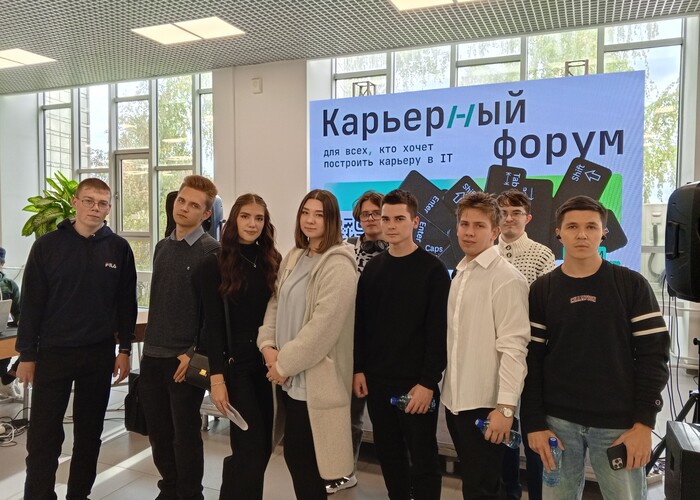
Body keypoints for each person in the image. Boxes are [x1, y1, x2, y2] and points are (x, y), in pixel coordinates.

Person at [521, 196, 670, 500]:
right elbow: (532, 362)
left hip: (619, 425)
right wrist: (534, 423)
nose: (582, 234)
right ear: (558, 233)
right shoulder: (542, 289)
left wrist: (644, 423)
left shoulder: (631, 285)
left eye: (591, 227)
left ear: (604, 233)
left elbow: (653, 357)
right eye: (572, 227)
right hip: (558, 425)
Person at [15, 178, 137, 500]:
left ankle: (79, 495)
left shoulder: (119, 249)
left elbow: (127, 304)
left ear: (109, 208)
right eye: (89, 201)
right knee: (43, 436)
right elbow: (31, 304)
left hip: (98, 354)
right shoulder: (47, 246)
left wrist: (125, 349)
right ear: (75, 202)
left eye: (102, 203)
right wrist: (27, 355)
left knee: (89, 434)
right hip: (53, 353)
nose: (95, 208)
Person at [257, 189, 356, 500]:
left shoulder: (339, 264)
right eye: (305, 212)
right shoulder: (295, 256)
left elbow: (322, 329)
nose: (310, 220)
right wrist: (268, 346)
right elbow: (275, 304)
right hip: (286, 374)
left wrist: (283, 364)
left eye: (319, 215)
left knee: (305, 460)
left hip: (312, 379)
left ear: (332, 220)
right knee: (298, 458)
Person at [354, 189, 449, 500]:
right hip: (377, 381)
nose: (391, 225)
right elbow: (362, 325)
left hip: (416, 384)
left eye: (399, 219)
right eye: (386, 219)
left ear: (415, 222)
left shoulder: (433, 270)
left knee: (423, 458)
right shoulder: (373, 268)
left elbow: (438, 333)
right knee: (389, 453)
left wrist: (428, 382)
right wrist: (358, 369)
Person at [442, 191, 530, 499]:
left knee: (486, 489)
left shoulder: (506, 278)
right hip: (456, 402)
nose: (469, 232)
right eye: (464, 224)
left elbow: (514, 349)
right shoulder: (460, 273)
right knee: (475, 484)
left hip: (488, 405)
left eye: (479, 226)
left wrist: (505, 408)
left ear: (495, 231)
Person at [140, 175, 220, 500]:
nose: (184, 208)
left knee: (184, 434)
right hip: (152, 355)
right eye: (181, 200)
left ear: (206, 214)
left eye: (194, 205)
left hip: (183, 360)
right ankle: (169, 488)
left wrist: (193, 352)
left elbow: (213, 315)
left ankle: (189, 493)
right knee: (158, 432)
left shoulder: (211, 252)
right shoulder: (163, 247)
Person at [198, 194, 281, 500]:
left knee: (263, 446)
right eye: (245, 216)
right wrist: (217, 379)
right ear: (233, 220)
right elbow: (213, 327)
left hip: (268, 363)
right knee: (250, 446)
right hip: (235, 366)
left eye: (259, 218)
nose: (252, 224)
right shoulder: (214, 264)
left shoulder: (272, 260)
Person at [326, 189, 387, 495]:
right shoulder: (346, 250)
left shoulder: (398, 251)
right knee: (349, 414)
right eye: (366, 214)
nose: (371, 219)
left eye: (377, 213)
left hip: (385, 348)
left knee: (389, 422)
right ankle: (344, 470)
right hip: (349, 343)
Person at [496, 189, 556, 500]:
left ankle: (537, 493)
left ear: (527, 217)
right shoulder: (486, 253)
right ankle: (510, 490)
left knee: (533, 426)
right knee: (504, 427)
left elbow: (547, 306)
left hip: (533, 352)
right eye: (503, 213)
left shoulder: (542, 254)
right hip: (496, 352)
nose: (509, 218)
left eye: (516, 213)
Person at [0, 246, 22, 400]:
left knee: (37, 343)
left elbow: (19, 310)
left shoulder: (9, 284)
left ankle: (7, 379)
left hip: (4, 330)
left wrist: (21, 320)